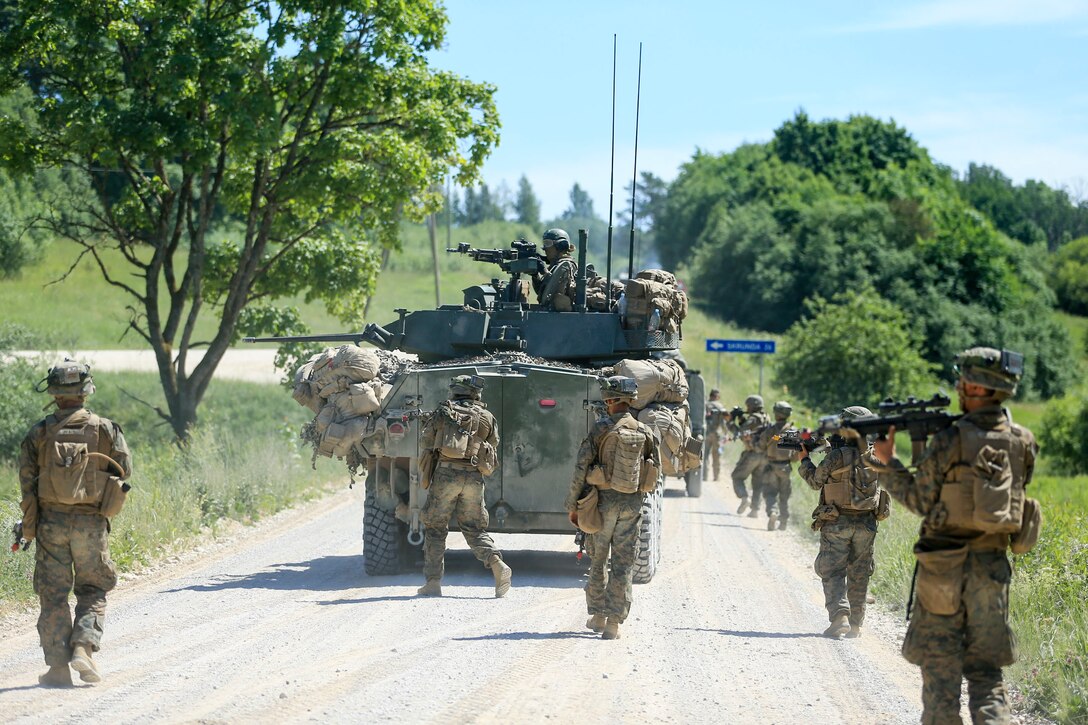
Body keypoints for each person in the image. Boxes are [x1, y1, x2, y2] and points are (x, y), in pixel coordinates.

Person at [871, 347, 1038, 724]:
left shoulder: (950, 438)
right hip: (992, 574)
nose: (959, 386)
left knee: (942, 678)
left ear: (979, 387)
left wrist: (889, 462)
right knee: (987, 676)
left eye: (965, 380)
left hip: (942, 573)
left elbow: (919, 499)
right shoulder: (1024, 442)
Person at [17, 359, 132, 687]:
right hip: (91, 524)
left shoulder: (37, 434)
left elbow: (27, 488)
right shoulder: (106, 429)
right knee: (92, 588)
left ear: (53, 393)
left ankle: (57, 668)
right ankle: (83, 648)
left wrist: (29, 529)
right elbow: (123, 475)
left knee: (52, 595)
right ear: (86, 391)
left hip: (50, 525)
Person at [566, 376, 659, 640]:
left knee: (598, 560)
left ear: (609, 400)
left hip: (602, 504)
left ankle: (597, 614)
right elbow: (654, 472)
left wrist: (572, 505)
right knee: (623, 563)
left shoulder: (600, 429)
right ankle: (614, 623)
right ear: (630, 401)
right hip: (631, 504)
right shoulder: (645, 431)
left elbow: (580, 468)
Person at [417, 375, 512, 598]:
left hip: (446, 475)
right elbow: (493, 442)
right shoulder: (487, 416)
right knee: (474, 528)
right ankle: (497, 564)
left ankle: (432, 582)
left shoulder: (444, 411)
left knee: (435, 527)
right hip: (473, 477)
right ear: (475, 393)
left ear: (454, 391)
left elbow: (426, 442)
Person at [799, 405, 884, 638]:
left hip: (837, 521)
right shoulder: (874, 456)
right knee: (860, 572)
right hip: (867, 524)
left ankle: (840, 618)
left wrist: (804, 459)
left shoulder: (837, 456)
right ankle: (856, 624)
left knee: (833, 570)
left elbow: (816, 481)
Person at [757, 401, 798, 531]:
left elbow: (761, 446)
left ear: (776, 413)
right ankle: (783, 522)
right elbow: (796, 456)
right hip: (785, 467)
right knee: (784, 496)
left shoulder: (770, 430)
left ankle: (772, 512)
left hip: (771, 466)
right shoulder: (792, 431)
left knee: (770, 493)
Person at [727, 395, 769, 516]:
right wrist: (741, 417)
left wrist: (731, 421)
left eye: (748, 406)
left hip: (752, 454)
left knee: (737, 477)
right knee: (758, 483)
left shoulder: (753, 418)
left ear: (751, 406)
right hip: (765, 456)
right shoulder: (766, 417)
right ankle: (755, 510)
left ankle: (744, 498)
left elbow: (741, 432)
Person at [533, 228, 578, 311]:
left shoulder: (566, 266)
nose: (545, 248)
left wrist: (544, 271)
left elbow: (553, 291)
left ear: (561, 246)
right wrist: (535, 275)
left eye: (548, 243)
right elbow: (543, 293)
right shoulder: (556, 265)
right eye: (544, 243)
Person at [704, 389, 726, 482]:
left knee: (705, 455)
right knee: (716, 456)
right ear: (717, 397)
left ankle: (704, 476)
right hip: (716, 434)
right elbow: (722, 422)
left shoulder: (705, 405)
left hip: (706, 433)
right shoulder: (720, 406)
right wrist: (725, 432)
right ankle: (716, 477)